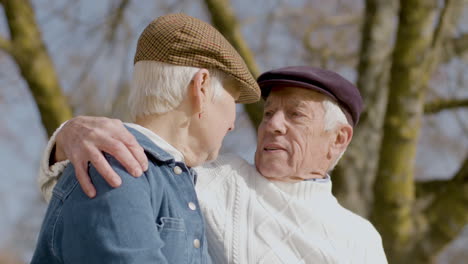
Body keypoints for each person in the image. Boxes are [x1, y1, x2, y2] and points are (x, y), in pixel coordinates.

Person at [38, 65, 388, 263]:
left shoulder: (361, 240)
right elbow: (116, 175)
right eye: (268, 113)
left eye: (295, 114)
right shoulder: (215, 178)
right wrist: (68, 136)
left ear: (339, 138)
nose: (273, 124)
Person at [30, 13, 261, 264]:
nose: (233, 124)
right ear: (201, 87)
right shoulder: (118, 167)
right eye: (233, 100)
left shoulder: (169, 177)